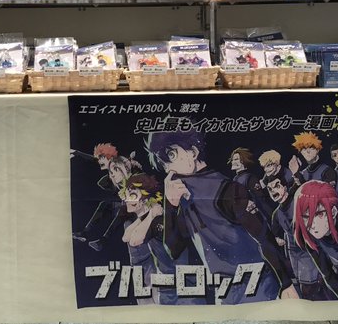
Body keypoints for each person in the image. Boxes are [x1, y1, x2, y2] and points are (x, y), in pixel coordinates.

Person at [146, 128, 298, 304]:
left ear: (193, 152)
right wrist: (170, 205)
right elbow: (174, 249)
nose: (168, 168)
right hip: (225, 291)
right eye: (162, 164)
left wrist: (285, 283)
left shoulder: (227, 189)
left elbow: (264, 237)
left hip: (258, 285)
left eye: (171, 155)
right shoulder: (183, 196)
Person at [119, 173, 201, 305]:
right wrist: (147, 215)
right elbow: (126, 237)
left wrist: (151, 215)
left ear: (145, 199)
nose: (127, 200)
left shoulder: (157, 218)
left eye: (132, 195)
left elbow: (134, 241)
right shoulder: (148, 216)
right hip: (167, 285)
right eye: (127, 195)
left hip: (182, 284)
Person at [267, 175, 335, 300]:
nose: (273, 191)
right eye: (270, 189)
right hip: (294, 253)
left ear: (285, 187)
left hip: (310, 246)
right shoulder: (276, 214)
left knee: (319, 282)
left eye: (277, 186)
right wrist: (278, 239)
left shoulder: (298, 202)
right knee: (305, 286)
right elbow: (274, 234)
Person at [228, 147, 271, 220]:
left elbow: (260, 200)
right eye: (232, 160)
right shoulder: (235, 179)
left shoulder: (249, 178)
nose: (233, 162)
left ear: (243, 161)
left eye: (236, 159)